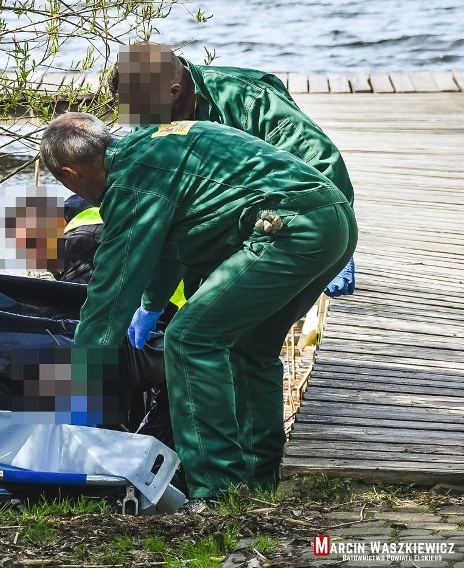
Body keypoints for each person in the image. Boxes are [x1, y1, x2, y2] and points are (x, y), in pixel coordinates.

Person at [39, 113, 357, 501]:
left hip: (287, 230)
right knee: (250, 350)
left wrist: (84, 382)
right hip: (334, 218)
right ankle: (259, 483)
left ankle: (215, 491)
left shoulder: (131, 183)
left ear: (70, 174)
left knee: (189, 340)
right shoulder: (157, 140)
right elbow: (171, 245)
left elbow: (110, 292)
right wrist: (152, 305)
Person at [111, 42, 356, 302]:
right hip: (209, 225)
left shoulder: (251, 99)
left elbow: (321, 161)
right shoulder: (147, 112)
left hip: (278, 214)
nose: (138, 122)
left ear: (173, 92)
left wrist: (337, 247)